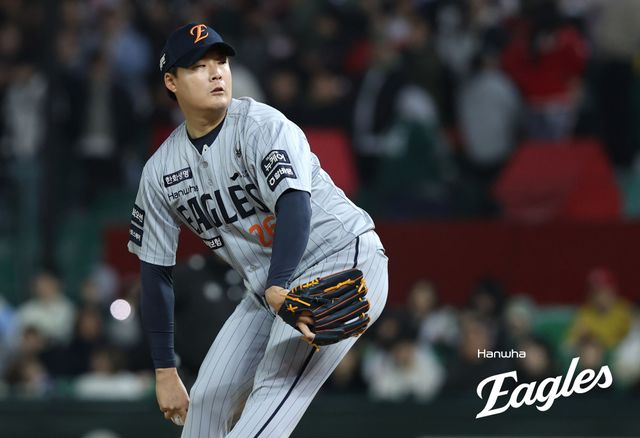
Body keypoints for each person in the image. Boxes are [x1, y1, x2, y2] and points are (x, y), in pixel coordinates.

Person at [127, 23, 388, 437]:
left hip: (337, 258)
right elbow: (155, 271)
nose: (216, 73)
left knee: (276, 389)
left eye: (221, 62)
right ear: (171, 82)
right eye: (199, 66)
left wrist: (278, 285)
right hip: (266, 287)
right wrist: (164, 369)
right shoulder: (161, 171)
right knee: (208, 399)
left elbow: (294, 204)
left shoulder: (262, 126)